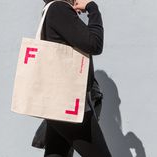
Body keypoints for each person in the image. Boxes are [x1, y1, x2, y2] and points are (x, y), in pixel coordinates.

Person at [31, 0, 112, 157]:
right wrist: (93, 8)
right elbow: (94, 44)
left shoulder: (54, 9)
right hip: (69, 105)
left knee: (57, 153)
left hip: (57, 106)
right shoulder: (58, 9)